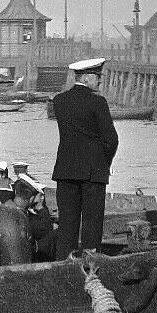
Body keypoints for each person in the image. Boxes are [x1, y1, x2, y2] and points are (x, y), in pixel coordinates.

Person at [50, 57, 117, 256]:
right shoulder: (98, 102)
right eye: (97, 76)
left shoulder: (59, 101)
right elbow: (111, 140)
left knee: (67, 226)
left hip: (65, 171)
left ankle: (62, 267)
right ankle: (91, 271)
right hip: (92, 174)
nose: (100, 80)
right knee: (91, 227)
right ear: (87, 78)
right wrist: (103, 163)